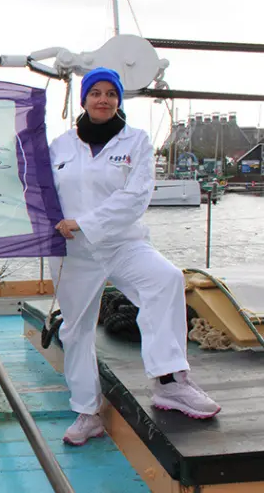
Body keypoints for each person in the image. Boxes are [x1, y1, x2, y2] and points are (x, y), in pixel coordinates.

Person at [48, 67, 221, 447]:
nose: (104, 99)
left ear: (119, 101)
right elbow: (40, 192)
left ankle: (169, 382)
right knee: (76, 330)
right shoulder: (59, 146)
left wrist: (84, 222)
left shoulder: (137, 141)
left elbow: (135, 197)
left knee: (165, 279)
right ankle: (87, 411)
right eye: (96, 93)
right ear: (84, 99)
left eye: (112, 93)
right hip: (73, 252)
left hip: (122, 242)